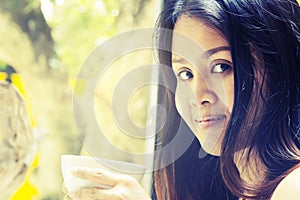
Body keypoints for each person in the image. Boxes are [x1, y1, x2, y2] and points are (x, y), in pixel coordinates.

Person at [65, 0, 300, 199]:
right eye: (185, 74)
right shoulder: (247, 191)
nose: (198, 96)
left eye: (221, 67)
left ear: (277, 67)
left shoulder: (293, 187)